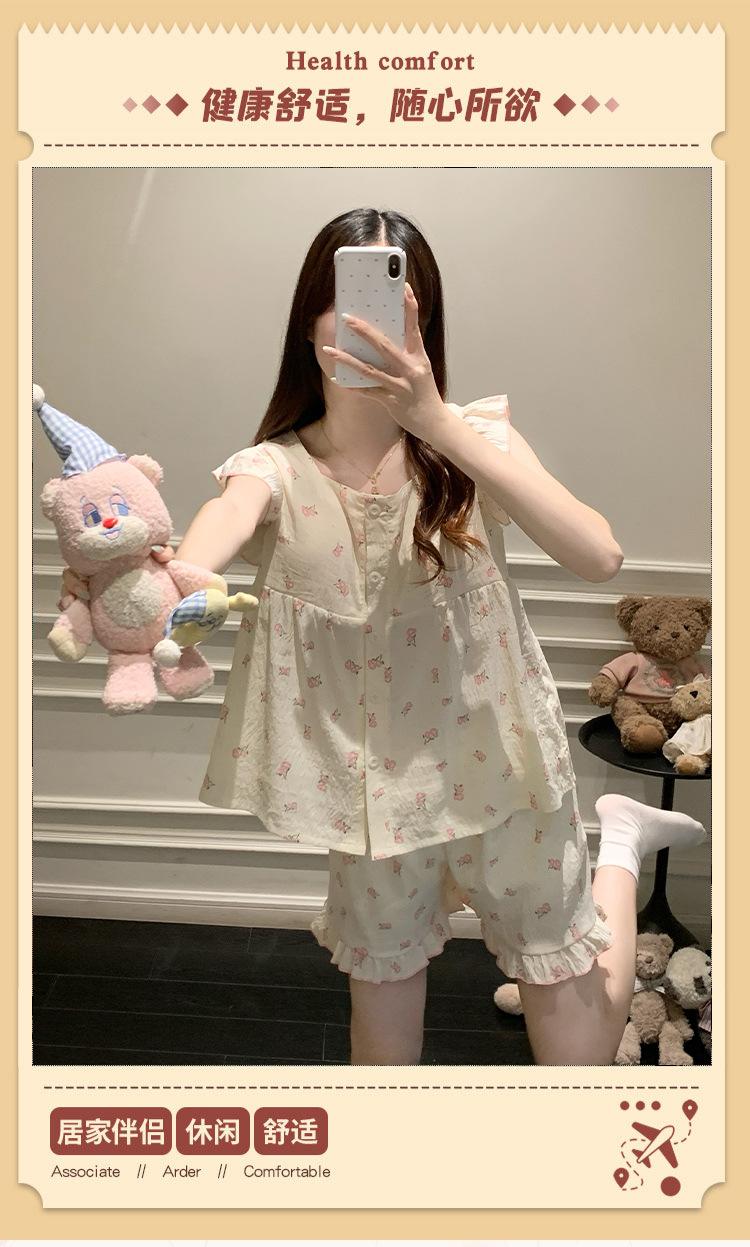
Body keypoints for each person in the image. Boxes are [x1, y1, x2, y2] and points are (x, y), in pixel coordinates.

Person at [60, 206, 708, 1064]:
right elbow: (214, 535)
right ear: (308, 322)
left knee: (578, 1058)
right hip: (370, 796)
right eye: (344, 294)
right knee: (383, 1053)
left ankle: (619, 845)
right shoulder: (272, 469)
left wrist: (436, 421)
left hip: (504, 770)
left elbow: (600, 555)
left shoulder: (475, 441)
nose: (366, 318)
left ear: (423, 321)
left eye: (393, 294)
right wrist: (151, 585)